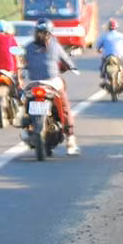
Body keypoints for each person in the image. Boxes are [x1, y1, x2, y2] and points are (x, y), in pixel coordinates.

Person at [23, 18, 79, 155]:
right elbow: (66, 60)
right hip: (52, 82)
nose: (42, 35)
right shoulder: (55, 45)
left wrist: (22, 69)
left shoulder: (29, 46)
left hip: (33, 83)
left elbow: (23, 62)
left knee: (23, 102)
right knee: (65, 107)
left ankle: (25, 125)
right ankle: (70, 138)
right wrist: (72, 67)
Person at [95, 18, 123, 90]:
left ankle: (104, 78)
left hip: (107, 57)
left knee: (102, 67)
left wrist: (99, 50)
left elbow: (98, 46)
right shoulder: (121, 36)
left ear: (108, 27)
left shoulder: (104, 36)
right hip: (119, 57)